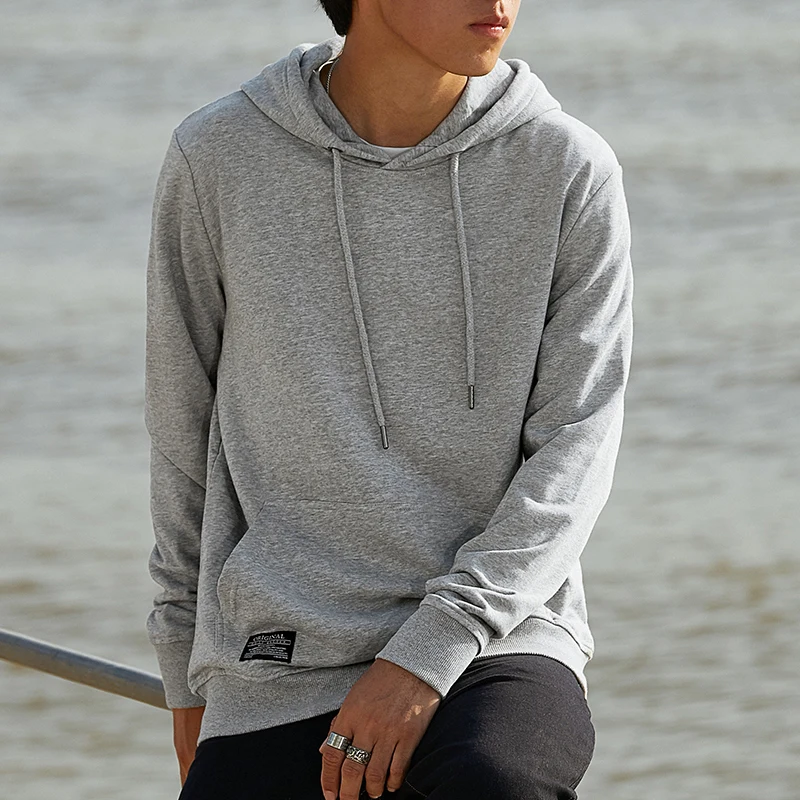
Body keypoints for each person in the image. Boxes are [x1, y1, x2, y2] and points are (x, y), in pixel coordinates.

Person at [144, 0, 634, 798]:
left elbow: (577, 443)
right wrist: (181, 663)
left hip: (498, 639)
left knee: (496, 781)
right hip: (280, 653)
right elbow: (180, 425)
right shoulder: (220, 158)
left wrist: (429, 652)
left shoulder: (566, 166)